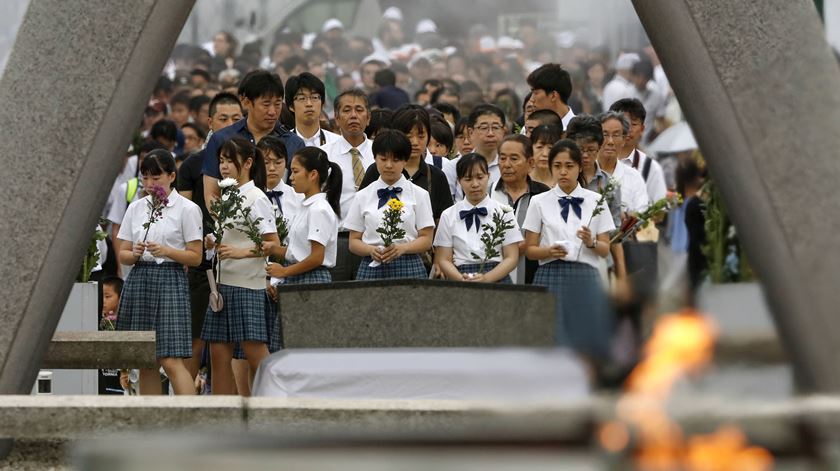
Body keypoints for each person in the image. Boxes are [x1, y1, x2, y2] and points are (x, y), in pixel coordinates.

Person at [116, 150, 203, 395]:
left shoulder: (187, 208)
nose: (150, 184)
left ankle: (190, 419)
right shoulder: (136, 207)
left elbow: (196, 256)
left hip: (170, 279)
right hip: (140, 278)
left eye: (156, 178)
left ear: (172, 176)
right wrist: (134, 254)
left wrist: (165, 250)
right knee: (146, 359)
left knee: (170, 358)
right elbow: (122, 252)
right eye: (145, 178)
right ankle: (153, 424)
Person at [201, 137, 280, 396]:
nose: (223, 167)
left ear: (247, 162)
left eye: (228, 161)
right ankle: (223, 419)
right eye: (221, 161)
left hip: (247, 285)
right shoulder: (229, 196)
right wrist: (214, 242)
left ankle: (276, 410)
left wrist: (239, 252)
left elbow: (272, 243)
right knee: (218, 355)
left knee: (256, 354)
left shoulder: (257, 197)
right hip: (222, 286)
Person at [523, 139, 615, 360]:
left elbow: (605, 250)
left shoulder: (596, 200)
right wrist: (548, 252)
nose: (563, 172)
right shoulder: (538, 201)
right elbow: (529, 250)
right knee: (548, 334)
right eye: (557, 166)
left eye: (569, 166)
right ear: (551, 167)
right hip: (550, 272)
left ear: (580, 167)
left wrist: (591, 241)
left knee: (585, 334)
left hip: (585, 273)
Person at [176, 92, 243, 382]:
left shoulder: (250, 161)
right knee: (195, 339)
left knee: (234, 343)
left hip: (241, 260)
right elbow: (183, 213)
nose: (230, 124)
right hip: (202, 264)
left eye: (236, 119)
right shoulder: (193, 165)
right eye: (223, 118)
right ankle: (186, 402)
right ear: (210, 122)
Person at [202, 70, 305, 210]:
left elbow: (300, 193)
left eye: (277, 104)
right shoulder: (222, 139)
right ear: (246, 102)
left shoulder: (293, 143)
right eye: (266, 104)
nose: (272, 111)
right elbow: (212, 194)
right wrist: (230, 224)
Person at [346, 130, 434, 280]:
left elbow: (426, 239)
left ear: (405, 160)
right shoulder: (362, 196)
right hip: (372, 265)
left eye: (396, 160)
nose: (389, 165)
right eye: (383, 159)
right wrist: (371, 250)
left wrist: (402, 248)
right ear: (374, 158)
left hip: (409, 265)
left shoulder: (419, 194)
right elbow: (353, 241)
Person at [435, 153, 521, 283]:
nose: (475, 184)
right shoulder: (448, 215)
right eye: (468, 179)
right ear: (459, 181)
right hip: (461, 277)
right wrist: (461, 279)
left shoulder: (504, 212)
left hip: (497, 277)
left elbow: (512, 257)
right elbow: (443, 259)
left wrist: (487, 278)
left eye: (480, 177)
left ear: (488, 176)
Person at [360, 106, 453, 221]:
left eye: (421, 136)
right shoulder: (377, 170)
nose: (415, 142)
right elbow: (361, 213)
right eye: (408, 136)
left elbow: (443, 220)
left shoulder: (436, 176)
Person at [264, 147, 341, 285]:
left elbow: (317, 257)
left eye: (295, 171)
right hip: (299, 275)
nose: (291, 177)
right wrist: (273, 249)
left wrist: (284, 271)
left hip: (312, 278)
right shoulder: (305, 205)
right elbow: (299, 252)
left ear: (313, 175)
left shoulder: (319, 209)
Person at [320, 89, 374, 281]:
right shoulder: (322, 156)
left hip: (372, 242)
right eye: (347, 110)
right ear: (336, 117)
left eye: (359, 110)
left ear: (368, 117)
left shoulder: (381, 154)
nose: (353, 115)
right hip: (337, 241)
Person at [489, 135, 550, 284]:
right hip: (494, 277)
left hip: (533, 277)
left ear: (530, 163)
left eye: (514, 159)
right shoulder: (488, 192)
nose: (506, 164)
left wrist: (524, 246)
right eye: (502, 158)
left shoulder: (544, 195)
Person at [608, 98, 667, 203]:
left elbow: (659, 211)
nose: (628, 129)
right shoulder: (594, 162)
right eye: (624, 123)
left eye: (634, 124)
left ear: (642, 129)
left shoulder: (650, 168)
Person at [597, 111, 650, 214]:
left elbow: (641, 215)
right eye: (605, 135)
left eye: (616, 135)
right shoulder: (583, 172)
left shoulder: (634, 178)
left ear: (624, 140)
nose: (610, 141)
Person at [285, 72, 340, 147]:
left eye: (314, 97)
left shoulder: (337, 142)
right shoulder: (283, 144)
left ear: (322, 104)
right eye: (302, 98)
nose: (309, 104)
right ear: (291, 106)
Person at [467, 104, 507, 185]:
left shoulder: (510, 166)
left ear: (504, 131)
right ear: (471, 132)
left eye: (495, 127)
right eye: (484, 128)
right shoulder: (455, 166)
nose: (490, 133)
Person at [526, 63, 576, 128]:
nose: (531, 99)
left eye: (536, 93)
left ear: (553, 96)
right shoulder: (529, 129)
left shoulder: (579, 130)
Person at [99, 276, 125, 395]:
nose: (103, 301)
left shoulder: (124, 322)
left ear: (120, 298)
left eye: (108, 296)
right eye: (101, 296)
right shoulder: (97, 321)